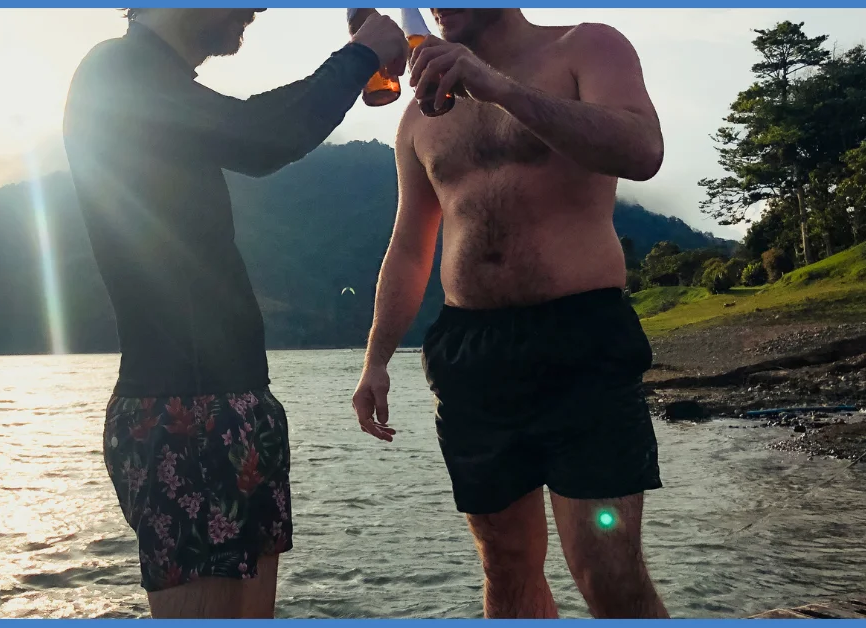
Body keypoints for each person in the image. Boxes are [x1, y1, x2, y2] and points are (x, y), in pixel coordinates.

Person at [62, 8, 408, 619]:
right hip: (180, 414)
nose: (259, 7)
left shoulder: (160, 88)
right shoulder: (114, 73)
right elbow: (258, 136)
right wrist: (358, 58)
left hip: (236, 404)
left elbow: (249, 127)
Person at [351, 8, 669, 619]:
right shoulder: (420, 113)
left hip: (582, 341)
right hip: (472, 354)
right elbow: (412, 246)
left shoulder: (586, 48)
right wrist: (375, 360)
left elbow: (642, 148)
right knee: (505, 567)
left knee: (608, 571)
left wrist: (497, 87)